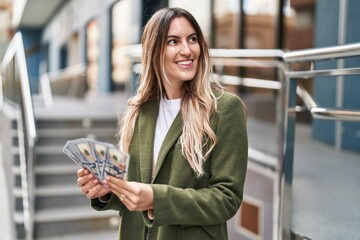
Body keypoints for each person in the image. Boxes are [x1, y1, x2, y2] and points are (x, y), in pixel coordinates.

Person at [76, 7, 248, 240]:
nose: (187, 50)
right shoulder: (141, 110)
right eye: (173, 41)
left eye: (193, 39)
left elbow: (227, 199)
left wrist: (156, 199)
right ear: (154, 50)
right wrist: (109, 192)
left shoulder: (225, 109)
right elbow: (138, 190)